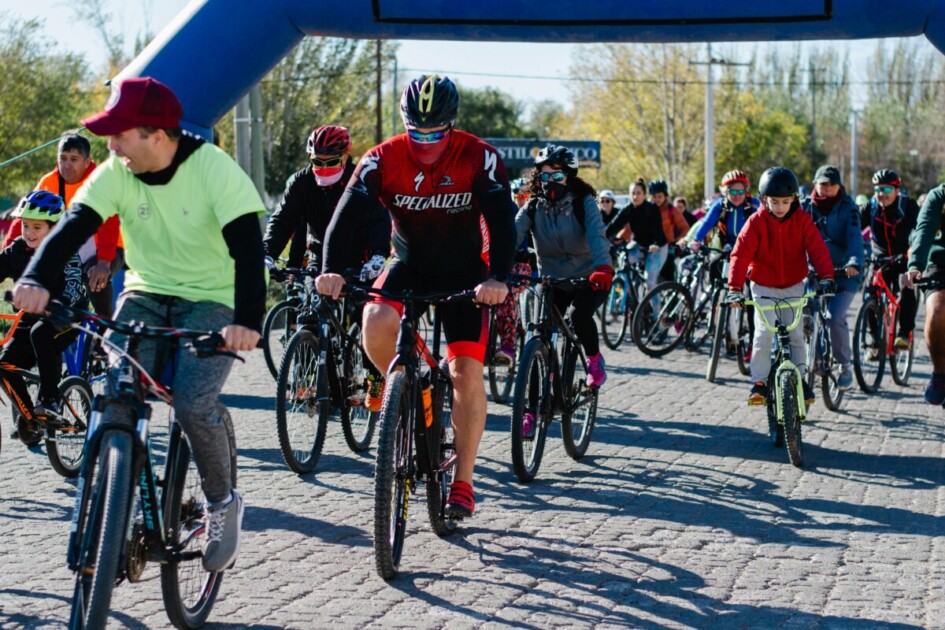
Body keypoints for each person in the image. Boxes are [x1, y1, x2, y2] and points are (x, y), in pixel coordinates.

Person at [13, 76, 265, 572]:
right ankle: (113, 493)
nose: (110, 145)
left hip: (211, 300)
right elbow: (72, 226)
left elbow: (248, 254)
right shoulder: (116, 171)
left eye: (119, 134)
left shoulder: (215, 170)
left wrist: (248, 321)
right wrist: (36, 277)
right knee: (118, 388)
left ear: (156, 134)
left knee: (193, 403)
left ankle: (221, 503)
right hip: (145, 293)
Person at [316, 75, 516, 519]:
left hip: (467, 275)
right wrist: (330, 269)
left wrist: (499, 277)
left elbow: (504, 222)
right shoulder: (381, 159)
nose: (425, 141)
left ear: (451, 124)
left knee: (466, 374)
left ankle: (462, 482)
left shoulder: (478, 157)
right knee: (374, 322)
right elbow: (343, 219)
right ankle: (413, 385)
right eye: (416, 131)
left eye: (435, 132)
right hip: (408, 265)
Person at [726, 167, 835, 405]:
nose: (779, 207)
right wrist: (734, 288)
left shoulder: (802, 220)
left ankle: (800, 379)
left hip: (793, 286)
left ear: (795, 199)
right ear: (764, 199)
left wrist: (827, 276)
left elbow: (817, 247)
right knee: (763, 335)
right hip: (763, 287)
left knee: (795, 335)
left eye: (785, 202)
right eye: (774, 202)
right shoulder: (756, 222)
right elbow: (740, 255)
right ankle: (759, 383)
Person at [515, 145, 613, 394]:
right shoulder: (534, 206)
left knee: (578, 316)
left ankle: (593, 360)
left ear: (569, 176)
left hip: (589, 278)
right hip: (551, 281)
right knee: (538, 337)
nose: (550, 182)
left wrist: (602, 267)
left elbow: (596, 235)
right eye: (545, 176)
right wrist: (489, 266)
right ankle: (530, 408)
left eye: (557, 176)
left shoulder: (584, 203)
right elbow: (510, 236)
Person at [4, 131, 123, 317]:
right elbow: (24, 217)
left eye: (74, 159)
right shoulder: (49, 181)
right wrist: (9, 252)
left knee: (94, 276)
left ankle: (104, 326)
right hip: (72, 245)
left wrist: (103, 262)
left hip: (109, 247)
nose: (67, 165)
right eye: (63, 158)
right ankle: (49, 320)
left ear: (87, 161)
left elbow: (110, 225)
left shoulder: (99, 181)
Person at [0, 191, 87, 439]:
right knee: (5, 365)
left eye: (37, 227)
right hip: (29, 315)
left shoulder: (66, 252)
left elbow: (73, 285)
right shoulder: (17, 249)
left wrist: (57, 303)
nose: (29, 232)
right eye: (26, 225)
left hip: (66, 316)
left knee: (41, 334)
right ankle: (31, 418)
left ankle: (50, 401)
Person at [262, 125, 390, 284]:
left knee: (366, 307)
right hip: (320, 257)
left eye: (331, 162)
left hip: (359, 259)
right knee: (313, 303)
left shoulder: (362, 180)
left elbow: (378, 219)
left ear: (344, 157)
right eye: (317, 161)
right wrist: (266, 253)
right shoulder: (301, 182)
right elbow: (282, 220)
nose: (323, 168)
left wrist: (378, 254)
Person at [800, 164, 863, 392]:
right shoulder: (805, 207)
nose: (827, 189)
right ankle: (811, 354)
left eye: (832, 185)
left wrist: (854, 261)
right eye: (823, 184)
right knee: (802, 311)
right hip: (813, 271)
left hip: (844, 273)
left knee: (834, 316)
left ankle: (844, 365)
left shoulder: (849, 208)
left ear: (839, 187)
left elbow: (855, 237)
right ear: (815, 185)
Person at [859, 169, 919, 351]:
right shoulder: (870, 207)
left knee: (906, 288)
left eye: (886, 190)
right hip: (880, 258)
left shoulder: (908, 206)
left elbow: (920, 230)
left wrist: (913, 248)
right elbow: (854, 230)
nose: (880, 194)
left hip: (903, 257)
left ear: (896, 190)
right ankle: (874, 341)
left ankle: (904, 334)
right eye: (877, 189)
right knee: (869, 294)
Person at [902, 181, 945, 405]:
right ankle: (939, 373)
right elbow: (925, 229)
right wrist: (915, 265)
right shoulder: (938, 196)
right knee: (937, 309)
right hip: (940, 261)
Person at [689, 170, 760, 278]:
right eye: (733, 192)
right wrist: (696, 240)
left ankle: (749, 293)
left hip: (750, 246)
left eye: (741, 192)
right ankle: (715, 293)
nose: (737, 196)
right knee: (714, 265)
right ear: (725, 192)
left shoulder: (754, 205)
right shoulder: (720, 205)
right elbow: (707, 223)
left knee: (750, 277)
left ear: (746, 191)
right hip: (730, 245)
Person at [605, 178, 667, 293]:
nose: (635, 196)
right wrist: (600, 238)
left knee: (649, 282)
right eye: (633, 193)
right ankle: (629, 298)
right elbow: (613, 226)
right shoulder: (627, 209)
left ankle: (656, 311)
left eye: (638, 193)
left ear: (644, 194)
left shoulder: (652, 209)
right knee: (623, 263)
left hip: (657, 247)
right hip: (639, 245)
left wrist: (655, 244)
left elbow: (658, 229)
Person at [649, 179, 689, 281]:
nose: (657, 199)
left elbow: (685, 228)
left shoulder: (671, 210)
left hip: (668, 250)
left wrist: (676, 242)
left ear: (665, 196)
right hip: (650, 247)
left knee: (667, 279)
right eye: (654, 196)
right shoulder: (646, 209)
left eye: (660, 196)